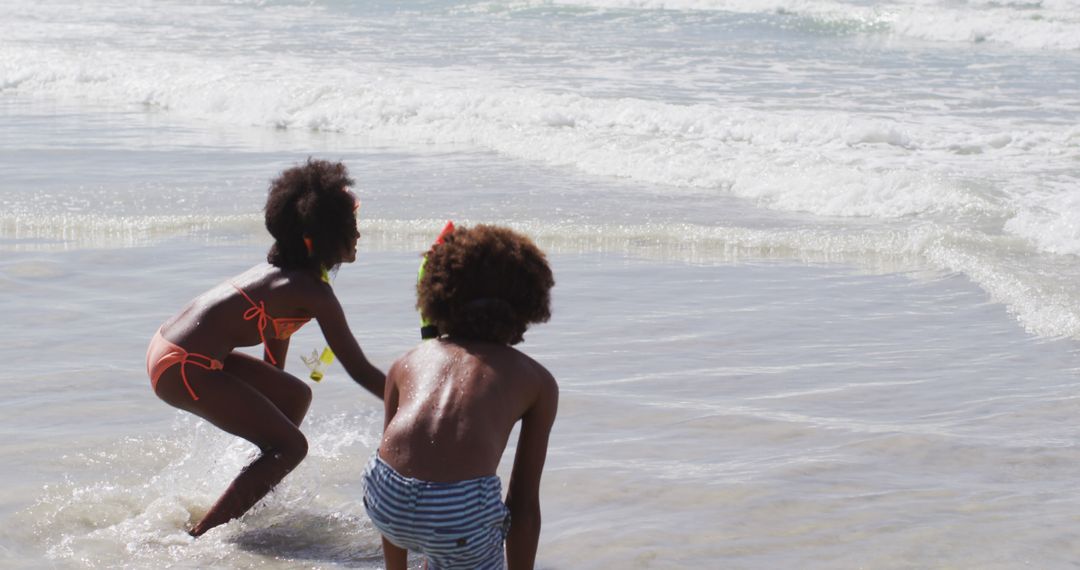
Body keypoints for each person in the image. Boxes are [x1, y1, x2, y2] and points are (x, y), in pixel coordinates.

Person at [145, 158, 386, 537]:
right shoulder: (312, 291)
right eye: (350, 227)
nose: (358, 235)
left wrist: (270, 423)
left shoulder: (293, 278)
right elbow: (358, 368)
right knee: (292, 448)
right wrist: (413, 402)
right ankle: (201, 537)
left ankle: (250, 489)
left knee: (294, 396)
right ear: (321, 237)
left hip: (177, 352)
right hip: (185, 365)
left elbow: (275, 354)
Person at [363, 224, 558, 570]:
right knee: (454, 531)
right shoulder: (536, 380)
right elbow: (523, 504)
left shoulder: (405, 362)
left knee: (426, 521)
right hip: (456, 514)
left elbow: (392, 458)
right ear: (529, 304)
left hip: (383, 497)